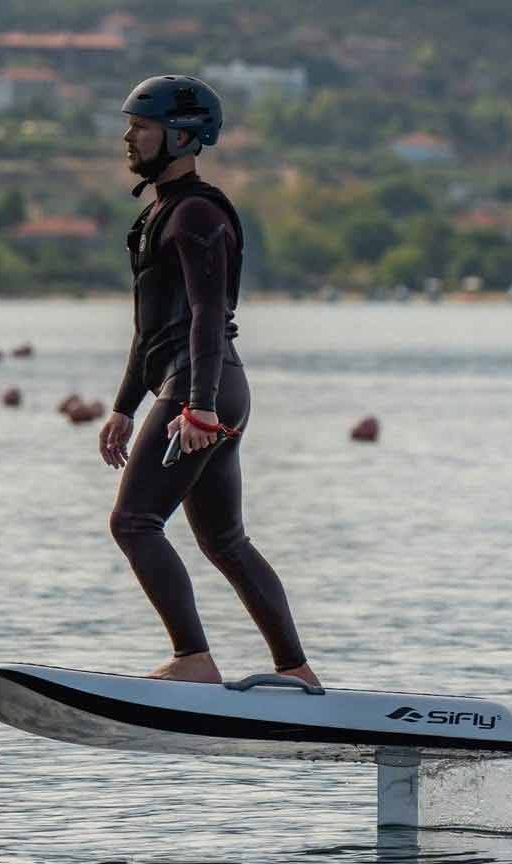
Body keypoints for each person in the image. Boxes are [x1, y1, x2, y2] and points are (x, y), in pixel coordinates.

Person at [97, 75, 321, 688]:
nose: (128, 136)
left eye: (140, 127)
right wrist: (121, 407)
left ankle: (192, 659)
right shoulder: (159, 214)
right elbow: (150, 331)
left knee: (134, 522)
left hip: (203, 386)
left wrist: (194, 407)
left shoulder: (196, 213)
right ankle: (296, 673)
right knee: (224, 540)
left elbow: (206, 315)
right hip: (206, 385)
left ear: (181, 135)